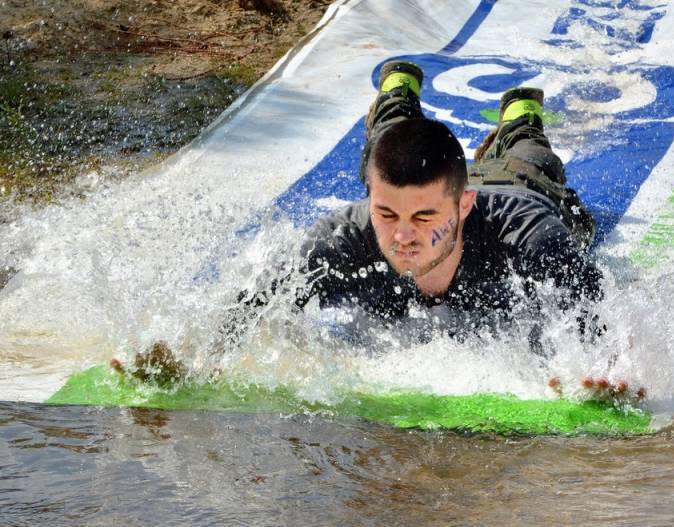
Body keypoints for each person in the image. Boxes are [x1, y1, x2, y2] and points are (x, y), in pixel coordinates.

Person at [113, 60, 643, 401]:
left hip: (515, 185)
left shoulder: (528, 238)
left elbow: (599, 313)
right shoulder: (343, 239)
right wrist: (188, 359)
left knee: (531, 155)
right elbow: (251, 304)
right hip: (422, 175)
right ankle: (395, 91)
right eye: (387, 216)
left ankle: (519, 115)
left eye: (424, 220)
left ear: (463, 207)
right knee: (388, 144)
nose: (402, 238)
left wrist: (610, 374)